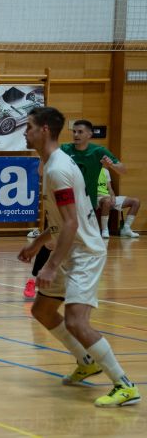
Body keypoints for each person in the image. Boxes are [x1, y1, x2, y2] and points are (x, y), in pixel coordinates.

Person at [19, 106, 140, 407]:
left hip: (84, 253)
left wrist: (50, 265)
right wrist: (38, 244)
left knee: (76, 321)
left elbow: (72, 223)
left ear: (44, 129)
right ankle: (86, 362)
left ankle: (125, 385)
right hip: (68, 248)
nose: (25, 132)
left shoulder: (58, 169)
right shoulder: (50, 164)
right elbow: (62, 221)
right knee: (42, 310)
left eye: (29, 126)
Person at [23, 119, 126, 298]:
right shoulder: (64, 150)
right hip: (62, 205)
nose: (76, 135)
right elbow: (41, 171)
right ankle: (34, 280)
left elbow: (123, 169)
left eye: (80, 132)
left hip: (85, 207)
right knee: (50, 242)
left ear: (89, 134)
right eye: (74, 131)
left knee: (79, 246)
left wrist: (112, 165)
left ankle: (70, 286)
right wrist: (43, 158)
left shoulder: (98, 151)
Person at [97, 168, 140, 238]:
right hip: (96, 198)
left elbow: (110, 189)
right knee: (107, 201)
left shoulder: (105, 171)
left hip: (107, 197)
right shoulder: (88, 170)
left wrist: (113, 197)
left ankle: (126, 229)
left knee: (136, 201)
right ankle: (104, 230)